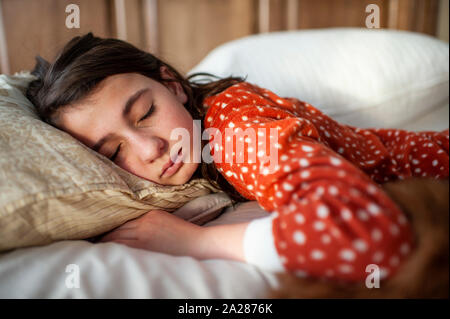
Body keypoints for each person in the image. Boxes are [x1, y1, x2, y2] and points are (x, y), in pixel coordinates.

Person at [26, 33, 449, 283]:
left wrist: (197, 242)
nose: (149, 148)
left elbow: (370, 233)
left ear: (172, 84)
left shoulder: (232, 129)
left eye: (145, 113)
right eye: (113, 152)